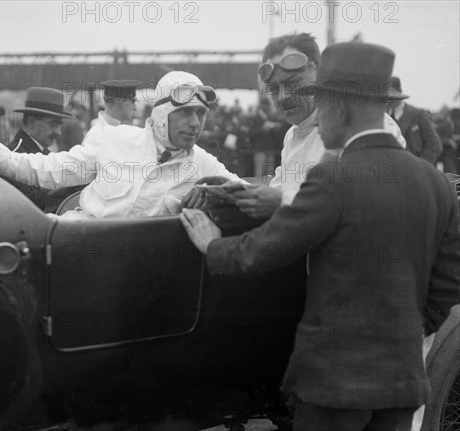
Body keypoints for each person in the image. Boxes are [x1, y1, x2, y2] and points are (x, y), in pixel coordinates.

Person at [180, 42, 460, 431]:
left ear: (339, 108)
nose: (314, 115)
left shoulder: (333, 177)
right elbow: (450, 280)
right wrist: (413, 327)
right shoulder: (436, 182)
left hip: (334, 385)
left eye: (319, 102)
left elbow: (268, 248)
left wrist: (214, 245)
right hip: (402, 381)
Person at [0, 71, 240, 219]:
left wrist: (218, 194)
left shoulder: (204, 165)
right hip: (75, 246)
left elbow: (254, 197)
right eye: (186, 112)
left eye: (201, 113)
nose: (195, 123)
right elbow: (48, 169)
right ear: (163, 114)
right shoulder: (113, 138)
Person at [182, 33, 406, 217]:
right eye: (272, 89)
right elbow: (280, 193)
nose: (282, 97)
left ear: (319, 72)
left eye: (292, 83)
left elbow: (371, 205)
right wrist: (230, 190)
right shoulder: (293, 135)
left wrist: (281, 202)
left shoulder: (364, 127)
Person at [387, 77, 442, 164]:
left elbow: (434, 144)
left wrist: (421, 166)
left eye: (393, 93)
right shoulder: (383, 117)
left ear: (400, 91)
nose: (390, 99)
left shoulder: (419, 115)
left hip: (417, 171)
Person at [7, 87, 74, 154]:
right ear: (31, 122)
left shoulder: (42, 153)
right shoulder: (16, 157)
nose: (59, 132)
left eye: (59, 126)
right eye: (53, 124)